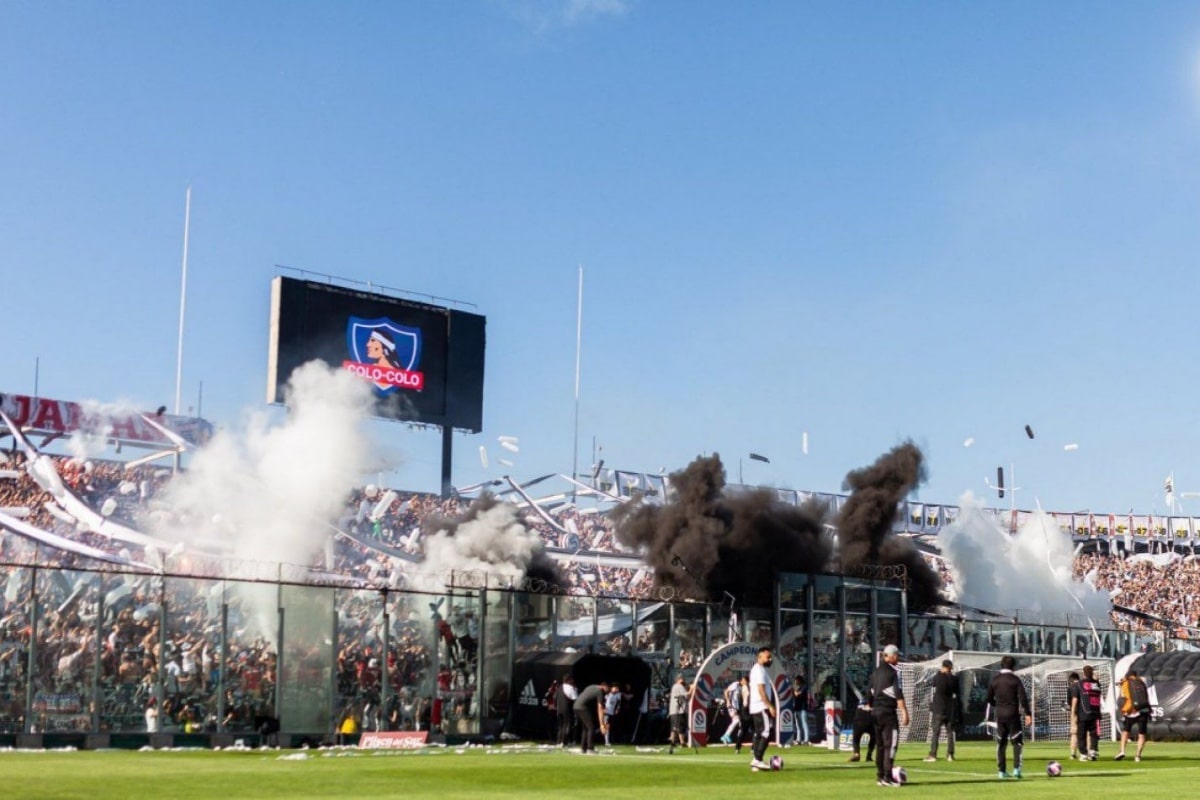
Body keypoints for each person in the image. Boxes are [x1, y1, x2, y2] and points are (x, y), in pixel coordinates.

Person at [867, 644, 909, 787]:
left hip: (875, 712)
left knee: (880, 745)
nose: (897, 658)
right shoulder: (894, 673)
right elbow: (898, 694)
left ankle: (880, 777)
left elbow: (869, 695)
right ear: (890, 656)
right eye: (896, 655)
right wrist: (904, 712)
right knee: (890, 745)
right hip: (887, 713)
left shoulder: (874, 673)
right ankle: (887, 777)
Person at [985, 655, 1032, 779]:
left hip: (1000, 714)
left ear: (1001, 665)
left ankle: (1001, 771)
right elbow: (1023, 698)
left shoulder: (995, 680)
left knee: (1001, 743)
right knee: (1017, 742)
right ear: (1013, 666)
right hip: (1013, 715)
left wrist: (997, 705)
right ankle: (1017, 770)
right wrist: (1028, 713)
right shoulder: (1015, 680)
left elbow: (988, 698)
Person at [748, 646, 777, 772]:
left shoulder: (758, 670)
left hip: (756, 707)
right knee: (767, 731)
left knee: (760, 733)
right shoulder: (759, 670)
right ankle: (758, 759)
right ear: (760, 657)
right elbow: (761, 690)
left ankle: (756, 763)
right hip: (761, 706)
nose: (770, 659)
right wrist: (770, 706)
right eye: (767, 657)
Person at [925, 659, 958, 762]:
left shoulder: (938, 677)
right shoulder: (954, 679)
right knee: (950, 733)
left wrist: (941, 672)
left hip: (939, 708)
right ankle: (950, 754)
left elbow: (933, 683)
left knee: (936, 733)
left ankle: (933, 754)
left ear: (943, 667)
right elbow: (957, 694)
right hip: (950, 709)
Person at [1115, 669, 1151, 762]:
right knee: (1142, 734)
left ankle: (1122, 751)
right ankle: (1138, 755)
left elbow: (1123, 697)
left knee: (1125, 731)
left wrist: (1121, 686)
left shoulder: (1126, 683)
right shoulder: (1141, 683)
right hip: (1144, 710)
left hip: (1131, 711)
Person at [1076, 664, 1104, 760]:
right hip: (1095, 712)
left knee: (1081, 735)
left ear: (1083, 673)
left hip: (1084, 712)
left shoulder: (1079, 684)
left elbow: (1076, 699)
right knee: (1094, 734)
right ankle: (1093, 751)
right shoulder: (1097, 684)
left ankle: (1083, 754)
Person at [573, 681, 609, 754]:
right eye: (608, 690)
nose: (607, 693)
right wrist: (602, 725)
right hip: (582, 707)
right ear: (605, 687)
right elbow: (600, 709)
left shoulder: (592, 686)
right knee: (591, 727)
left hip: (576, 706)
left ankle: (583, 748)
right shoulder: (600, 691)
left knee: (585, 728)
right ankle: (590, 748)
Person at [848, 696, 875, 763]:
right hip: (870, 723)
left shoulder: (859, 706)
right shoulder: (873, 704)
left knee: (856, 739)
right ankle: (869, 755)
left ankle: (856, 753)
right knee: (873, 738)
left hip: (858, 723)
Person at [668, 674, 690, 754]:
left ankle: (672, 741)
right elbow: (687, 694)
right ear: (680, 679)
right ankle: (682, 742)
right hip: (679, 710)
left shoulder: (674, 687)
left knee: (674, 726)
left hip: (673, 710)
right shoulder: (679, 686)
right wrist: (692, 688)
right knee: (680, 726)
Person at [556, 675, 578, 747]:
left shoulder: (559, 687)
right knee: (567, 725)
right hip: (567, 709)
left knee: (560, 726)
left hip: (559, 709)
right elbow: (575, 699)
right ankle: (564, 741)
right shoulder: (570, 688)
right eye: (572, 680)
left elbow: (555, 697)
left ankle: (559, 741)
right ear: (569, 680)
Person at [720, 676, 742, 745]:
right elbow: (726, 691)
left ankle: (727, 736)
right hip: (731, 706)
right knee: (737, 720)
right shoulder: (735, 685)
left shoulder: (741, 687)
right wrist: (728, 701)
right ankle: (726, 736)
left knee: (738, 721)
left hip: (737, 706)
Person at [1066, 672, 1081, 760]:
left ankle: (1073, 753)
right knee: (1087, 733)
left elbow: (1069, 702)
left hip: (1075, 712)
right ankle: (1088, 752)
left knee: (1074, 733)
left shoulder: (1071, 687)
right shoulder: (1084, 686)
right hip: (1086, 712)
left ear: (1071, 681)